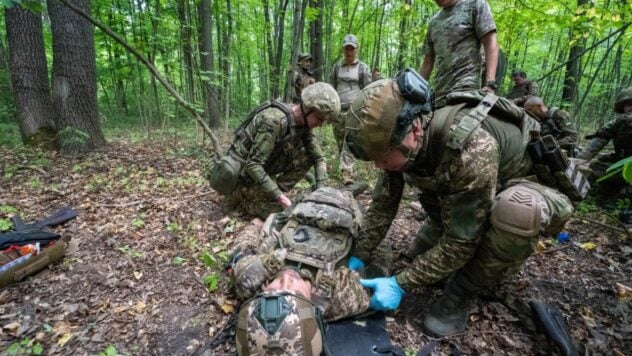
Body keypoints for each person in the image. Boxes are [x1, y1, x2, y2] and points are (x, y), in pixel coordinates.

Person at [343, 78, 575, 337]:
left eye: (382, 159)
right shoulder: (395, 142)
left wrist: (400, 283)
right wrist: (357, 256)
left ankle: (462, 290)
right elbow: (383, 206)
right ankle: (444, 241)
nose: (378, 166)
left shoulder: (470, 147)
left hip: (521, 188)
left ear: (414, 132)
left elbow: (460, 242)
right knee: (420, 255)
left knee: (518, 211)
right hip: (467, 193)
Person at [229, 186, 392, 355]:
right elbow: (381, 256)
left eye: (271, 290)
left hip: (306, 202)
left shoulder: (248, 278)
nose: (287, 280)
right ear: (315, 310)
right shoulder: (342, 296)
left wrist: (256, 225)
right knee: (349, 194)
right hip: (346, 207)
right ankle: (349, 190)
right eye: (295, 294)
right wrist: (367, 246)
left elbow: (242, 249)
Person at [206, 83, 341, 218]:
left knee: (307, 156)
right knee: (287, 214)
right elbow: (253, 165)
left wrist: (321, 190)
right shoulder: (274, 121)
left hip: (261, 171)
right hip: (242, 178)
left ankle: (268, 194)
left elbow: (318, 158)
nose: (321, 124)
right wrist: (280, 198)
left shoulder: (303, 125)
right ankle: (245, 200)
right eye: (319, 118)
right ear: (308, 108)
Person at [420, 0, 499, 108]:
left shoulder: (475, 5)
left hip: (467, 90)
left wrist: (490, 84)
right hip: (439, 94)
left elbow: (490, 43)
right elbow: (428, 61)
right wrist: (416, 90)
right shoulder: (434, 22)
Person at [329, 34, 372, 184]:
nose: (349, 52)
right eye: (347, 49)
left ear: (356, 50)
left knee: (349, 139)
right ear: (343, 49)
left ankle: (347, 172)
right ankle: (345, 167)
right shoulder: (336, 68)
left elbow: (368, 90)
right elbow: (331, 88)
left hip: (355, 109)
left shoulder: (363, 68)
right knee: (340, 139)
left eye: (351, 49)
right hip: (338, 109)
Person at [578, 87, 632, 187]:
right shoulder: (615, 123)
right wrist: (576, 163)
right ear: (623, 108)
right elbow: (594, 147)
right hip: (621, 163)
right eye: (629, 105)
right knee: (593, 169)